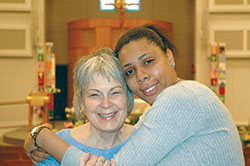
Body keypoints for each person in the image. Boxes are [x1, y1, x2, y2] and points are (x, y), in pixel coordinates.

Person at [25, 24, 245, 166]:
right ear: (80, 101)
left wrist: (42, 136)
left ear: (169, 57)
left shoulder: (182, 97)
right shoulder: (175, 103)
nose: (141, 76)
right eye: (129, 71)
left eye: (148, 62)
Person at [24, 47, 135, 166]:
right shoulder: (56, 145)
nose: (106, 104)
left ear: (128, 96)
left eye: (115, 92)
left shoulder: (145, 139)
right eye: (94, 95)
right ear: (81, 102)